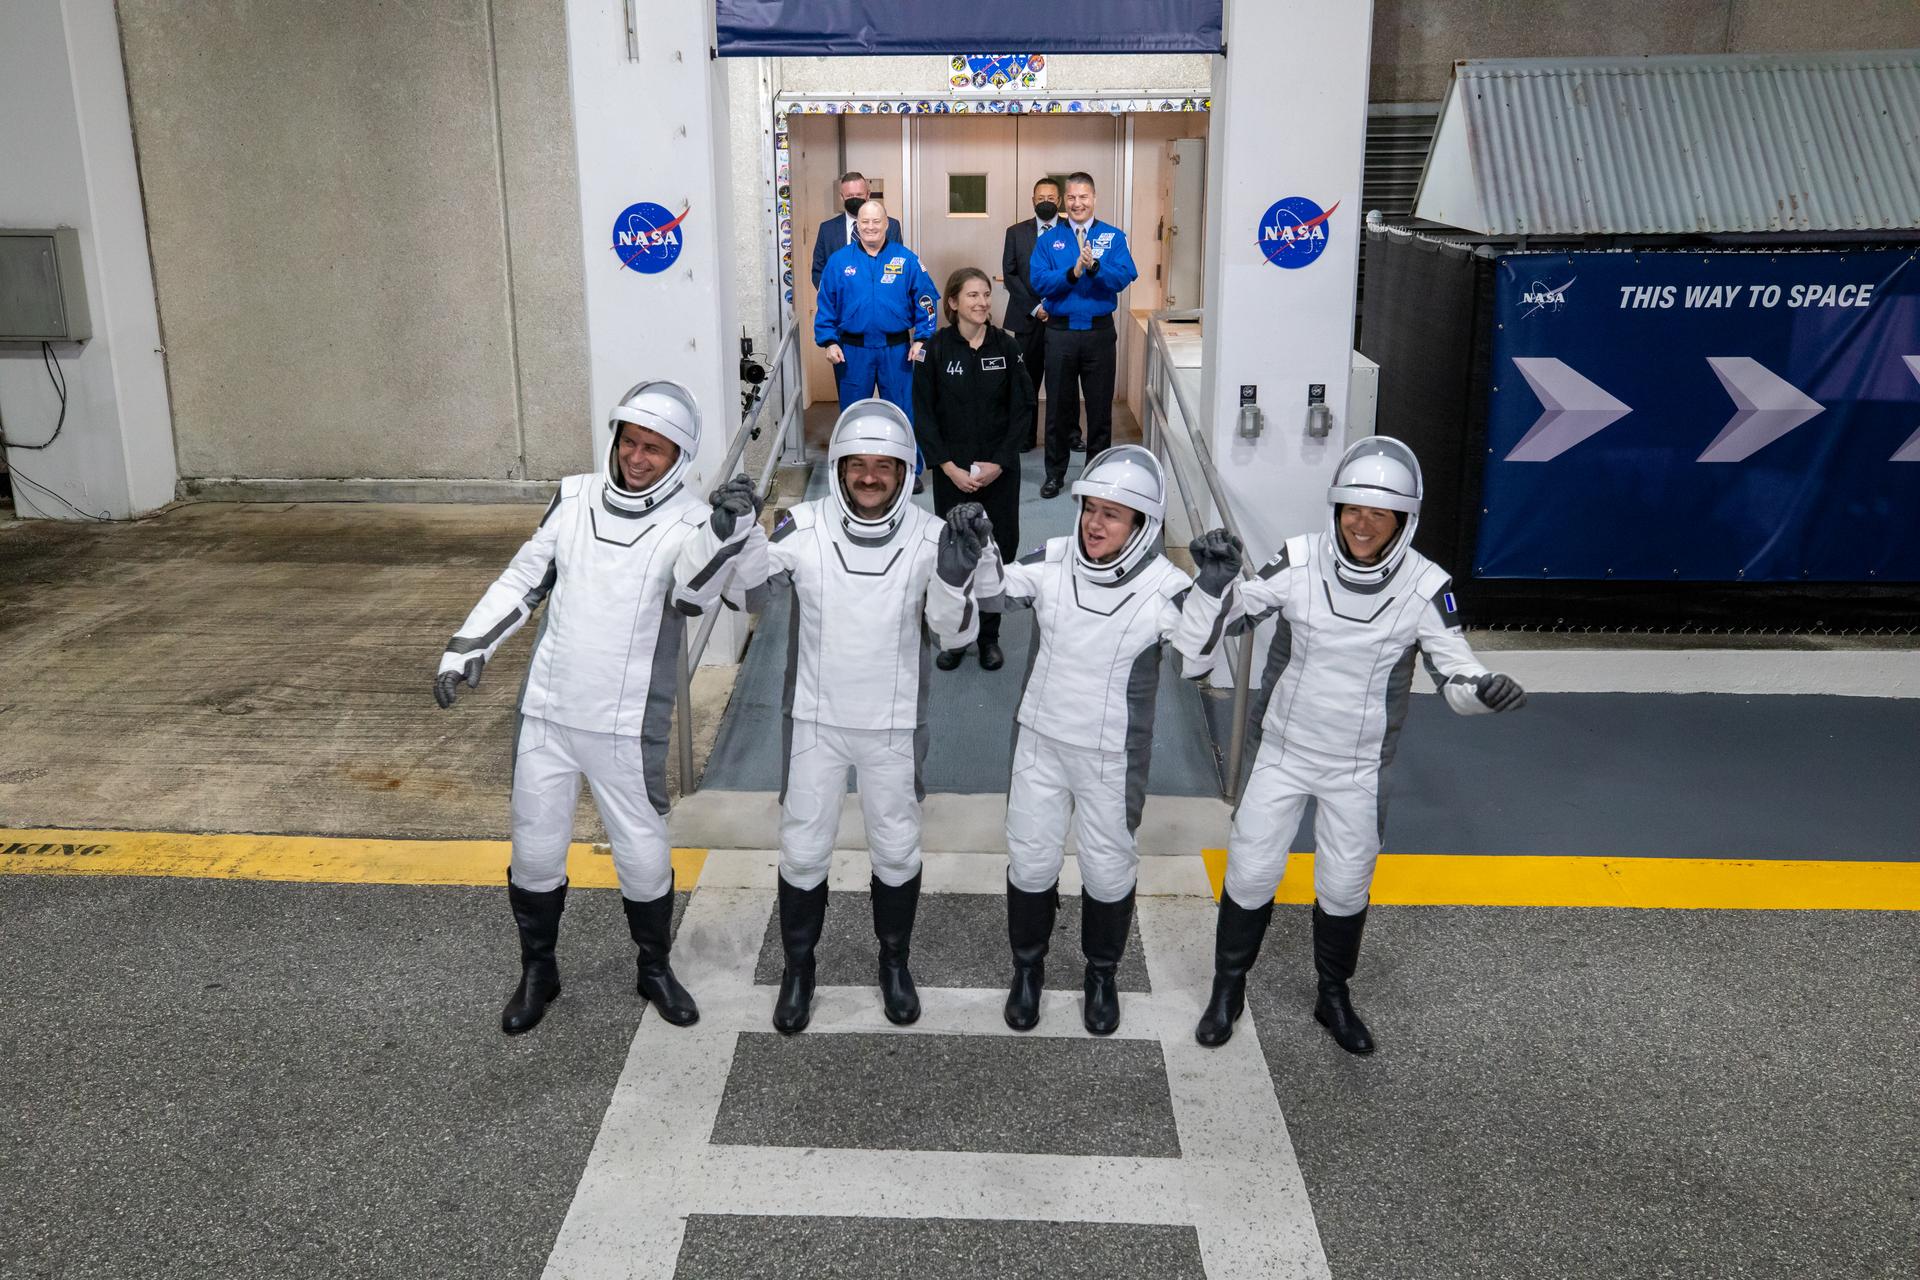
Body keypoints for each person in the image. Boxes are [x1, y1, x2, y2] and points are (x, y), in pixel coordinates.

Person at [1172, 436, 1529, 1055]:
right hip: (1281, 754)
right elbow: (1202, 642)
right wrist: (1214, 585)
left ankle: (1332, 995)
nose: (1362, 524)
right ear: (1335, 509)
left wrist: (1485, 690)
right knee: (1252, 873)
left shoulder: (1427, 585)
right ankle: (1227, 989)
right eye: (1352, 509)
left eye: (1379, 512)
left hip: (1358, 769)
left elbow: (1457, 673)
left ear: (1403, 521)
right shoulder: (1299, 558)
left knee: (1344, 886)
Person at [433, 380, 760, 1036]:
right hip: (549, 712)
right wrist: (468, 645)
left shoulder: (694, 520)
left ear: (679, 458)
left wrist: (730, 533)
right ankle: (538, 970)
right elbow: (526, 577)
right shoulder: (575, 494)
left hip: (625, 725)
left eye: (656, 450)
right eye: (631, 443)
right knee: (534, 850)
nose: (638, 458)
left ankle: (654, 967)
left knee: (642, 855)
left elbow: (701, 596)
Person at [713, 399, 985, 1034]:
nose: (869, 476)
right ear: (837, 467)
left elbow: (953, 636)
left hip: (893, 726)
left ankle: (894, 963)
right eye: (856, 465)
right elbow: (742, 594)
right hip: (815, 722)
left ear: (904, 470)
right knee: (803, 852)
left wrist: (952, 577)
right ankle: (799, 969)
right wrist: (740, 532)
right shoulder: (802, 527)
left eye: (883, 466)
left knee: (896, 850)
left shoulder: (930, 536)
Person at [956, 446, 1227, 1036]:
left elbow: (1196, 662)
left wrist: (1211, 590)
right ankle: (1027, 971)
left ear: (1142, 526)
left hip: (1111, 756)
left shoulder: (1166, 585)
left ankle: (1101, 974)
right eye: (1090, 509)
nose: (1095, 524)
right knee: (1030, 863)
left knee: (1108, 872)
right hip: (1040, 742)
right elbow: (995, 593)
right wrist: (982, 547)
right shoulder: (1054, 559)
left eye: (1113, 515)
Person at [913, 266, 1034, 673]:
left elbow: (1023, 410)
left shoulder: (1008, 348)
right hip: (954, 475)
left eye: (986, 295)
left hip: (999, 472)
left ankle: (988, 636)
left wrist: (999, 464)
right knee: (955, 553)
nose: (982, 302)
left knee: (998, 550)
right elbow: (925, 415)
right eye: (972, 296)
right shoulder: (935, 349)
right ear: (953, 303)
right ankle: (955, 635)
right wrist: (947, 468)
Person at [1029, 172, 1137, 499]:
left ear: (1094, 199)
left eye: (1083, 197)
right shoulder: (1049, 240)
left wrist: (1095, 268)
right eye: (1072, 198)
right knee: (1058, 409)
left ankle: (1097, 475)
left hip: (1099, 334)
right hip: (1060, 333)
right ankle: (1055, 474)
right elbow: (1041, 282)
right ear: (1064, 201)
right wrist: (1072, 272)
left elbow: (1125, 275)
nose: (1077, 203)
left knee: (1100, 409)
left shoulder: (1112, 237)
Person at [816, 199, 938, 419]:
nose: (870, 226)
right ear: (857, 225)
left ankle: (905, 455)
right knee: (853, 415)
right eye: (865, 221)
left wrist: (922, 338)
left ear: (886, 224)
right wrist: (829, 341)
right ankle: (854, 454)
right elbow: (826, 303)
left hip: (896, 351)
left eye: (876, 221)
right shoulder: (839, 261)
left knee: (901, 414)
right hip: (852, 352)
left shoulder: (906, 259)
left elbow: (926, 298)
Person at [1001, 178, 1065, 450]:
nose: (1046, 201)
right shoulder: (1016, 232)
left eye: (1051, 197)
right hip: (1027, 319)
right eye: (1041, 198)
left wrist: (1053, 305)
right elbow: (1010, 273)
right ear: (1033, 201)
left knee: (1063, 382)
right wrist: (1037, 308)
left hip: (1062, 319)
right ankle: (1025, 436)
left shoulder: (1072, 231)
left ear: (1059, 200)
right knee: (1026, 380)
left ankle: (1067, 435)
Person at [809, 171, 902, 288]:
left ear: (868, 195)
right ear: (842, 197)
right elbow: (819, 271)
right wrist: (833, 296)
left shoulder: (891, 226)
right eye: (849, 196)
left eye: (859, 195)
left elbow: (897, 266)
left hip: (880, 299)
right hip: (841, 302)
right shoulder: (827, 229)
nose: (854, 199)